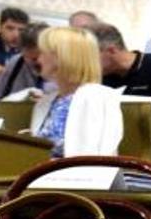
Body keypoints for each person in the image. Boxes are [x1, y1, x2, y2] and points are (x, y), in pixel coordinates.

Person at [30, 26, 122, 158]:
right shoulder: (45, 102)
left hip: (79, 170)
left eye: (43, 52)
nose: (38, 59)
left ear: (60, 56)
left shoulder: (97, 97)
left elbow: (98, 156)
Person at [94, 23, 151, 109]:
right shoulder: (100, 77)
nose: (89, 62)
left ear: (112, 51)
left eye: (92, 55)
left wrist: (146, 111)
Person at [0, 21, 49, 100]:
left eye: (37, 57)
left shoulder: (63, 67)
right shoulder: (16, 62)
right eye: (29, 58)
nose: (38, 62)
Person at [0, 7, 29, 78]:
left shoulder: (27, 50)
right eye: (10, 28)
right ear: (0, 28)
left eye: (21, 30)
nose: (16, 34)